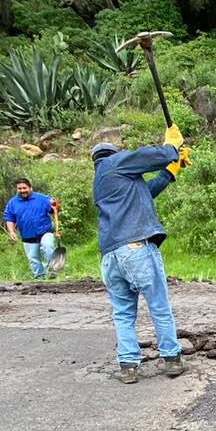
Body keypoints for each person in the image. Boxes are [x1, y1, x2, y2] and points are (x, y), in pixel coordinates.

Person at [90, 127, 191, 383]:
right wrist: (171, 147)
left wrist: (172, 169)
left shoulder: (105, 181)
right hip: (135, 248)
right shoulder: (116, 163)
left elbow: (147, 192)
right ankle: (172, 359)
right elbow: (151, 155)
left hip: (110, 256)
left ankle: (128, 366)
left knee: (123, 313)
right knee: (159, 305)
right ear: (114, 155)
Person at [3, 178, 60, 279]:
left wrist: (55, 205)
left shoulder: (42, 199)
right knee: (33, 258)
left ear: (30, 188)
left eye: (24, 188)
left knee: (48, 247)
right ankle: (39, 278)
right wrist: (11, 231)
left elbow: (54, 210)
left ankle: (52, 272)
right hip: (27, 234)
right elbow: (9, 217)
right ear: (17, 190)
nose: (22, 190)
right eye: (19, 189)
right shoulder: (12, 202)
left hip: (44, 231)